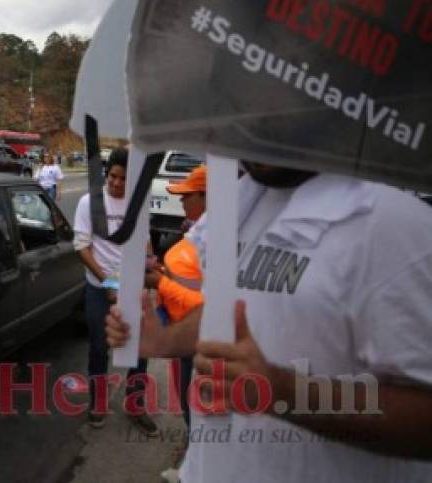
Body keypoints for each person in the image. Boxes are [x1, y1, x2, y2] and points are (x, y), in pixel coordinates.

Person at [106, 163, 432, 482]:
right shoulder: (239, 201)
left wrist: (280, 390)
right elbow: (228, 308)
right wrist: (164, 340)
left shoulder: (396, 224)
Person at [74, 147, 158, 434]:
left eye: (123, 179)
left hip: (133, 289)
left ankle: (136, 406)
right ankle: (98, 404)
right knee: (99, 348)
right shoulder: (89, 203)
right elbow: (82, 247)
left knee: (139, 350)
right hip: (100, 288)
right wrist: (109, 283)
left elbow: (145, 243)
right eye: (112, 176)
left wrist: (149, 269)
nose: (116, 183)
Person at [144, 165, 207, 480]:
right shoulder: (194, 231)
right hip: (186, 333)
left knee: (197, 405)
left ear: (206, 197)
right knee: (187, 400)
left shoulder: (218, 241)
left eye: (187, 196)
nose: (181, 202)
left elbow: (211, 303)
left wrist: (161, 284)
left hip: (201, 339)